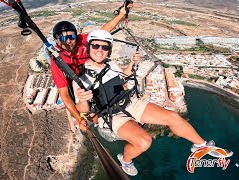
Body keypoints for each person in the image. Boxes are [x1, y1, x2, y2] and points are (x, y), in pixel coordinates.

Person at [73, 30, 233, 176]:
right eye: (96, 46)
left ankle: (201, 145)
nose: (100, 50)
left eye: (105, 47)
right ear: (89, 47)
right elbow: (82, 109)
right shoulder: (81, 76)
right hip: (111, 115)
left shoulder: (110, 64)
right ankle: (125, 160)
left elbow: (121, 78)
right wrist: (83, 99)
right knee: (144, 141)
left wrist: (131, 64)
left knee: (173, 117)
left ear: (109, 49)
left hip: (129, 102)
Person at [50, 2, 134, 130]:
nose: (68, 41)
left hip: (92, 75)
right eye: (63, 38)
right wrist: (79, 118)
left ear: (75, 35)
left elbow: (103, 31)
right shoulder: (57, 60)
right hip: (76, 83)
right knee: (88, 112)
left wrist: (121, 14)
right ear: (56, 40)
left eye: (71, 36)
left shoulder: (81, 40)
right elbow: (64, 94)